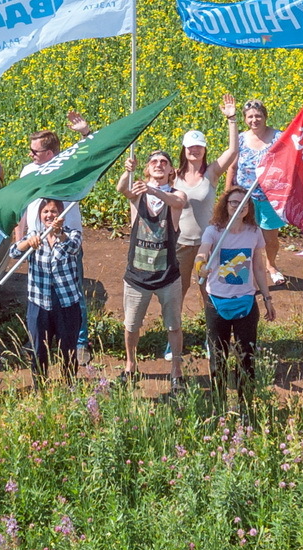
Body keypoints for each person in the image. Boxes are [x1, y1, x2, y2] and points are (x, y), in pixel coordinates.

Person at [192, 187, 277, 415]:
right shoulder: (214, 231)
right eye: (233, 202)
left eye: (243, 203)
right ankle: (218, 409)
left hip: (246, 303)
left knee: (246, 360)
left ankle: (246, 408)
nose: (238, 206)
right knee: (218, 359)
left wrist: (267, 298)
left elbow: (258, 266)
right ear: (225, 205)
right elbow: (203, 252)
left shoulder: (253, 232)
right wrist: (201, 265)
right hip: (217, 303)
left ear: (248, 208)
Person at [22, 114, 94, 366]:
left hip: (66, 240)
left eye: (35, 151)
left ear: (51, 152)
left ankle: (79, 342)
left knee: (72, 292)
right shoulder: (28, 171)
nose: (31, 155)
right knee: (38, 292)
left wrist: (85, 132)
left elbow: (91, 156)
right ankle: (38, 338)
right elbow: (24, 206)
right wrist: (21, 237)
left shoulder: (67, 168)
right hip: (36, 242)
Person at [116, 148, 187, 386]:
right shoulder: (138, 193)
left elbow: (177, 201)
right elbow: (122, 190)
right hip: (137, 277)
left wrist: (153, 189)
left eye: (164, 162)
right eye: (154, 161)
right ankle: (130, 365)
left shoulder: (177, 195)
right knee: (131, 326)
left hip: (168, 276)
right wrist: (127, 172)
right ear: (147, 168)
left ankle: (176, 370)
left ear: (171, 170)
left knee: (174, 326)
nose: (159, 164)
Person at [213, 95, 288, 287]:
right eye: (250, 117)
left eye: (258, 115)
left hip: (271, 197)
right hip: (244, 198)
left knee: (270, 238)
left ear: (265, 116)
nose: (254, 120)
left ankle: (271, 266)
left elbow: (288, 164)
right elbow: (232, 167)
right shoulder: (240, 139)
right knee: (243, 235)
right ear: (245, 119)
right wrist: (228, 193)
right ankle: (247, 270)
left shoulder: (279, 137)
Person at [12, 197, 85, 379]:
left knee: (68, 348)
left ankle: (68, 386)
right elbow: (14, 252)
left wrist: (59, 233)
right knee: (39, 349)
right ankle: (41, 388)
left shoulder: (72, 234)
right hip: (39, 302)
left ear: (62, 215)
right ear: (40, 215)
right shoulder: (35, 236)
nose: (49, 215)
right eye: (45, 212)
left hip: (66, 302)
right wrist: (27, 243)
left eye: (53, 211)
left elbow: (73, 248)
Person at [174, 130, 217, 302]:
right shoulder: (174, 176)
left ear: (205, 149)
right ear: (184, 149)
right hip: (180, 243)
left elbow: (232, 152)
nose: (195, 150)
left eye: (199, 146)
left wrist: (232, 119)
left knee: (209, 288)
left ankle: (213, 327)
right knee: (178, 289)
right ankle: (174, 327)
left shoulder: (211, 173)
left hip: (206, 244)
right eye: (191, 147)